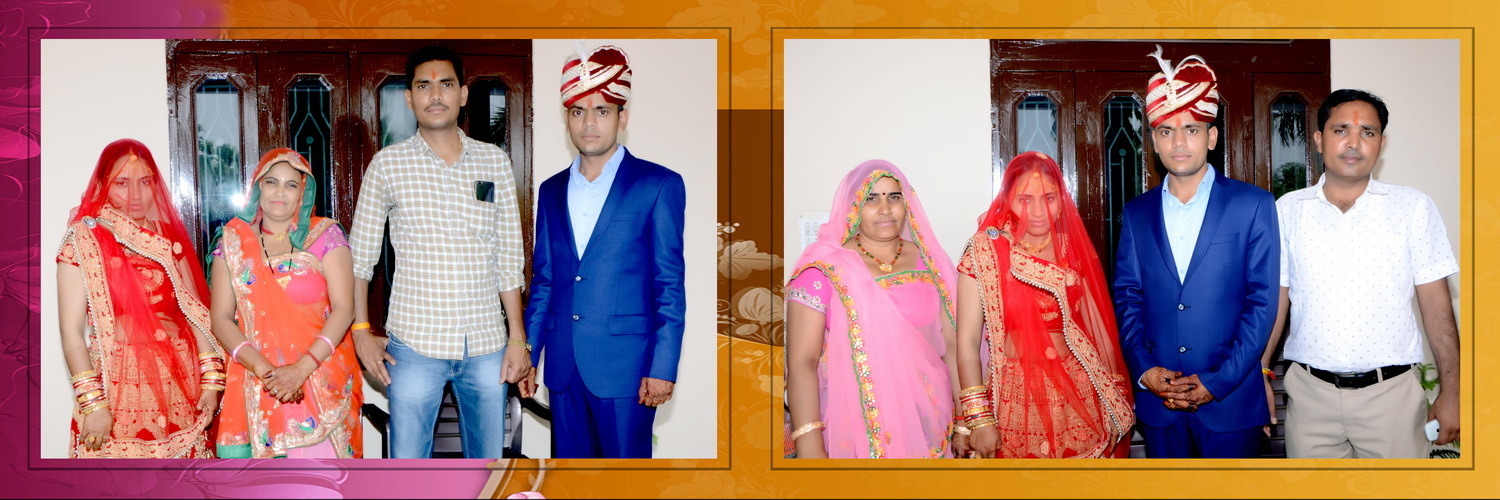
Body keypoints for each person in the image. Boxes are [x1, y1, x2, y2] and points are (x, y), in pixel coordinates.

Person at [347, 46, 531, 459]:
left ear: (462, 94)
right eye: (423, 86)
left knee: (486, 467)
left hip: (486, 343)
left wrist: (517, 338)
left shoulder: (495, 162)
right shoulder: (387, 165)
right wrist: (360, 331)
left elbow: (508, 257)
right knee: (409, 471)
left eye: (446, 84)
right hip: (414, 345)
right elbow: (360, 258)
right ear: (409, 98)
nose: (435, 95)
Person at [1263, 89, 1459, 458]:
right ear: (1319, 139)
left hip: (1392, 398)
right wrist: (1260, 372)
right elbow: (1277, 300)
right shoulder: (1287, 210)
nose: (1354, 143)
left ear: (1381, 143)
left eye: (1367, 132)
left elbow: (1438, 308)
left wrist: (1454, 393)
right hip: (1309, 399)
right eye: (1341, 130)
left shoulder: (1413, 207)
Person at [520, 44, 686, 459]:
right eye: (578, 111)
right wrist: (529, 354)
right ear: (567, 119)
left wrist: (663, 367)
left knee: (626, 484)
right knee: (573, 483)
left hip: (628, 370)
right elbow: (544, 280)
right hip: (563, 368)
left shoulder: (658, 185)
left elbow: (669, 283)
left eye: (602, 111)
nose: (589, 122)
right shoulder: (550, 190)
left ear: (622, 117)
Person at [1112, 47, 1279, 458]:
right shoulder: (1136, 213)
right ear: (1153, 141)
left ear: (1212, 137)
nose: (1179, 142)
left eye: (1191, 129)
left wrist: (1217, 381)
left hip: (1231, 402)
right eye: (1166, 131)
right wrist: (1145, 370)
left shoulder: (1253, 204)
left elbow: (1262, 304)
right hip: (1159, 403)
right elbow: (1128, 298)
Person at [953, 151, 1134, 459]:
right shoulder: (985, 253)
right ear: (1007, 199)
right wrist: (978, 419)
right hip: (1013, 394)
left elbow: (1098, 331)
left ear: (1061, 199)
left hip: (1078, 390)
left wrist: (1114, 395)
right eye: (1025, 199)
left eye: (1049, 198)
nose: (1038, 211)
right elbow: (967, 343)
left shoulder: (1071, 249)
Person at [55, 138, 220, 458]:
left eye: (145, 182)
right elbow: (71, 332)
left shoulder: (166, 238)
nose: (135, 194)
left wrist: (211, 382)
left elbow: (196, 314)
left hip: (180, 382)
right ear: (103, 185)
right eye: (121, 183)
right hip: (116, 386)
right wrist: (94, 404)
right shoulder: (84, 241)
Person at [783, 159, 958, 459]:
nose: (885, 208)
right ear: (852, 207)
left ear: (907, 203)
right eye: (871, 198)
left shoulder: (931, 262)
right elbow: (802, 363)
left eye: (894, 197)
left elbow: (952, 347)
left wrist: (968, 419)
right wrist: (810, 447)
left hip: (932, 419)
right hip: (855, 427)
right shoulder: (824, 270)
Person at [207, 148, 363, 458]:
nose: (280, 192)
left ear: (303, 192)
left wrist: (301, 369)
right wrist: (266, 372)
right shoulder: (232, 242)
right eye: (272, 182)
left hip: (318, 376)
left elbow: (345, 309)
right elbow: (220, 318)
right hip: (256, 378)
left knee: (319, 478)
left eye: (291, 184)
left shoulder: (325, 236)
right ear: (258, 188)